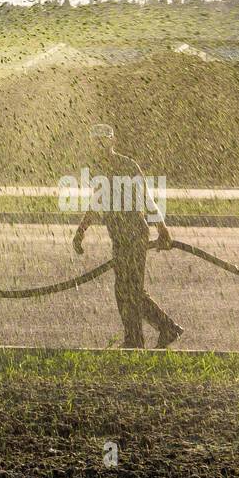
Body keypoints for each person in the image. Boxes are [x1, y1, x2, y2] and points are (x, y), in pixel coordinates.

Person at [73, 123, 184, 349]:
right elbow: (97, 203)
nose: (100, 146)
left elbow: (146, 198)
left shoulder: (127, 165)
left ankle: (145, 335)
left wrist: (163, 230)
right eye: (96, 142)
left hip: (133, 234)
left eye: (104, 141)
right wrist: (81, 230)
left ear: (112, 142)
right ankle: (148, 334)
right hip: (120, 236)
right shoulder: (99, 169)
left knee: (129, 290)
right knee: (127, 289)